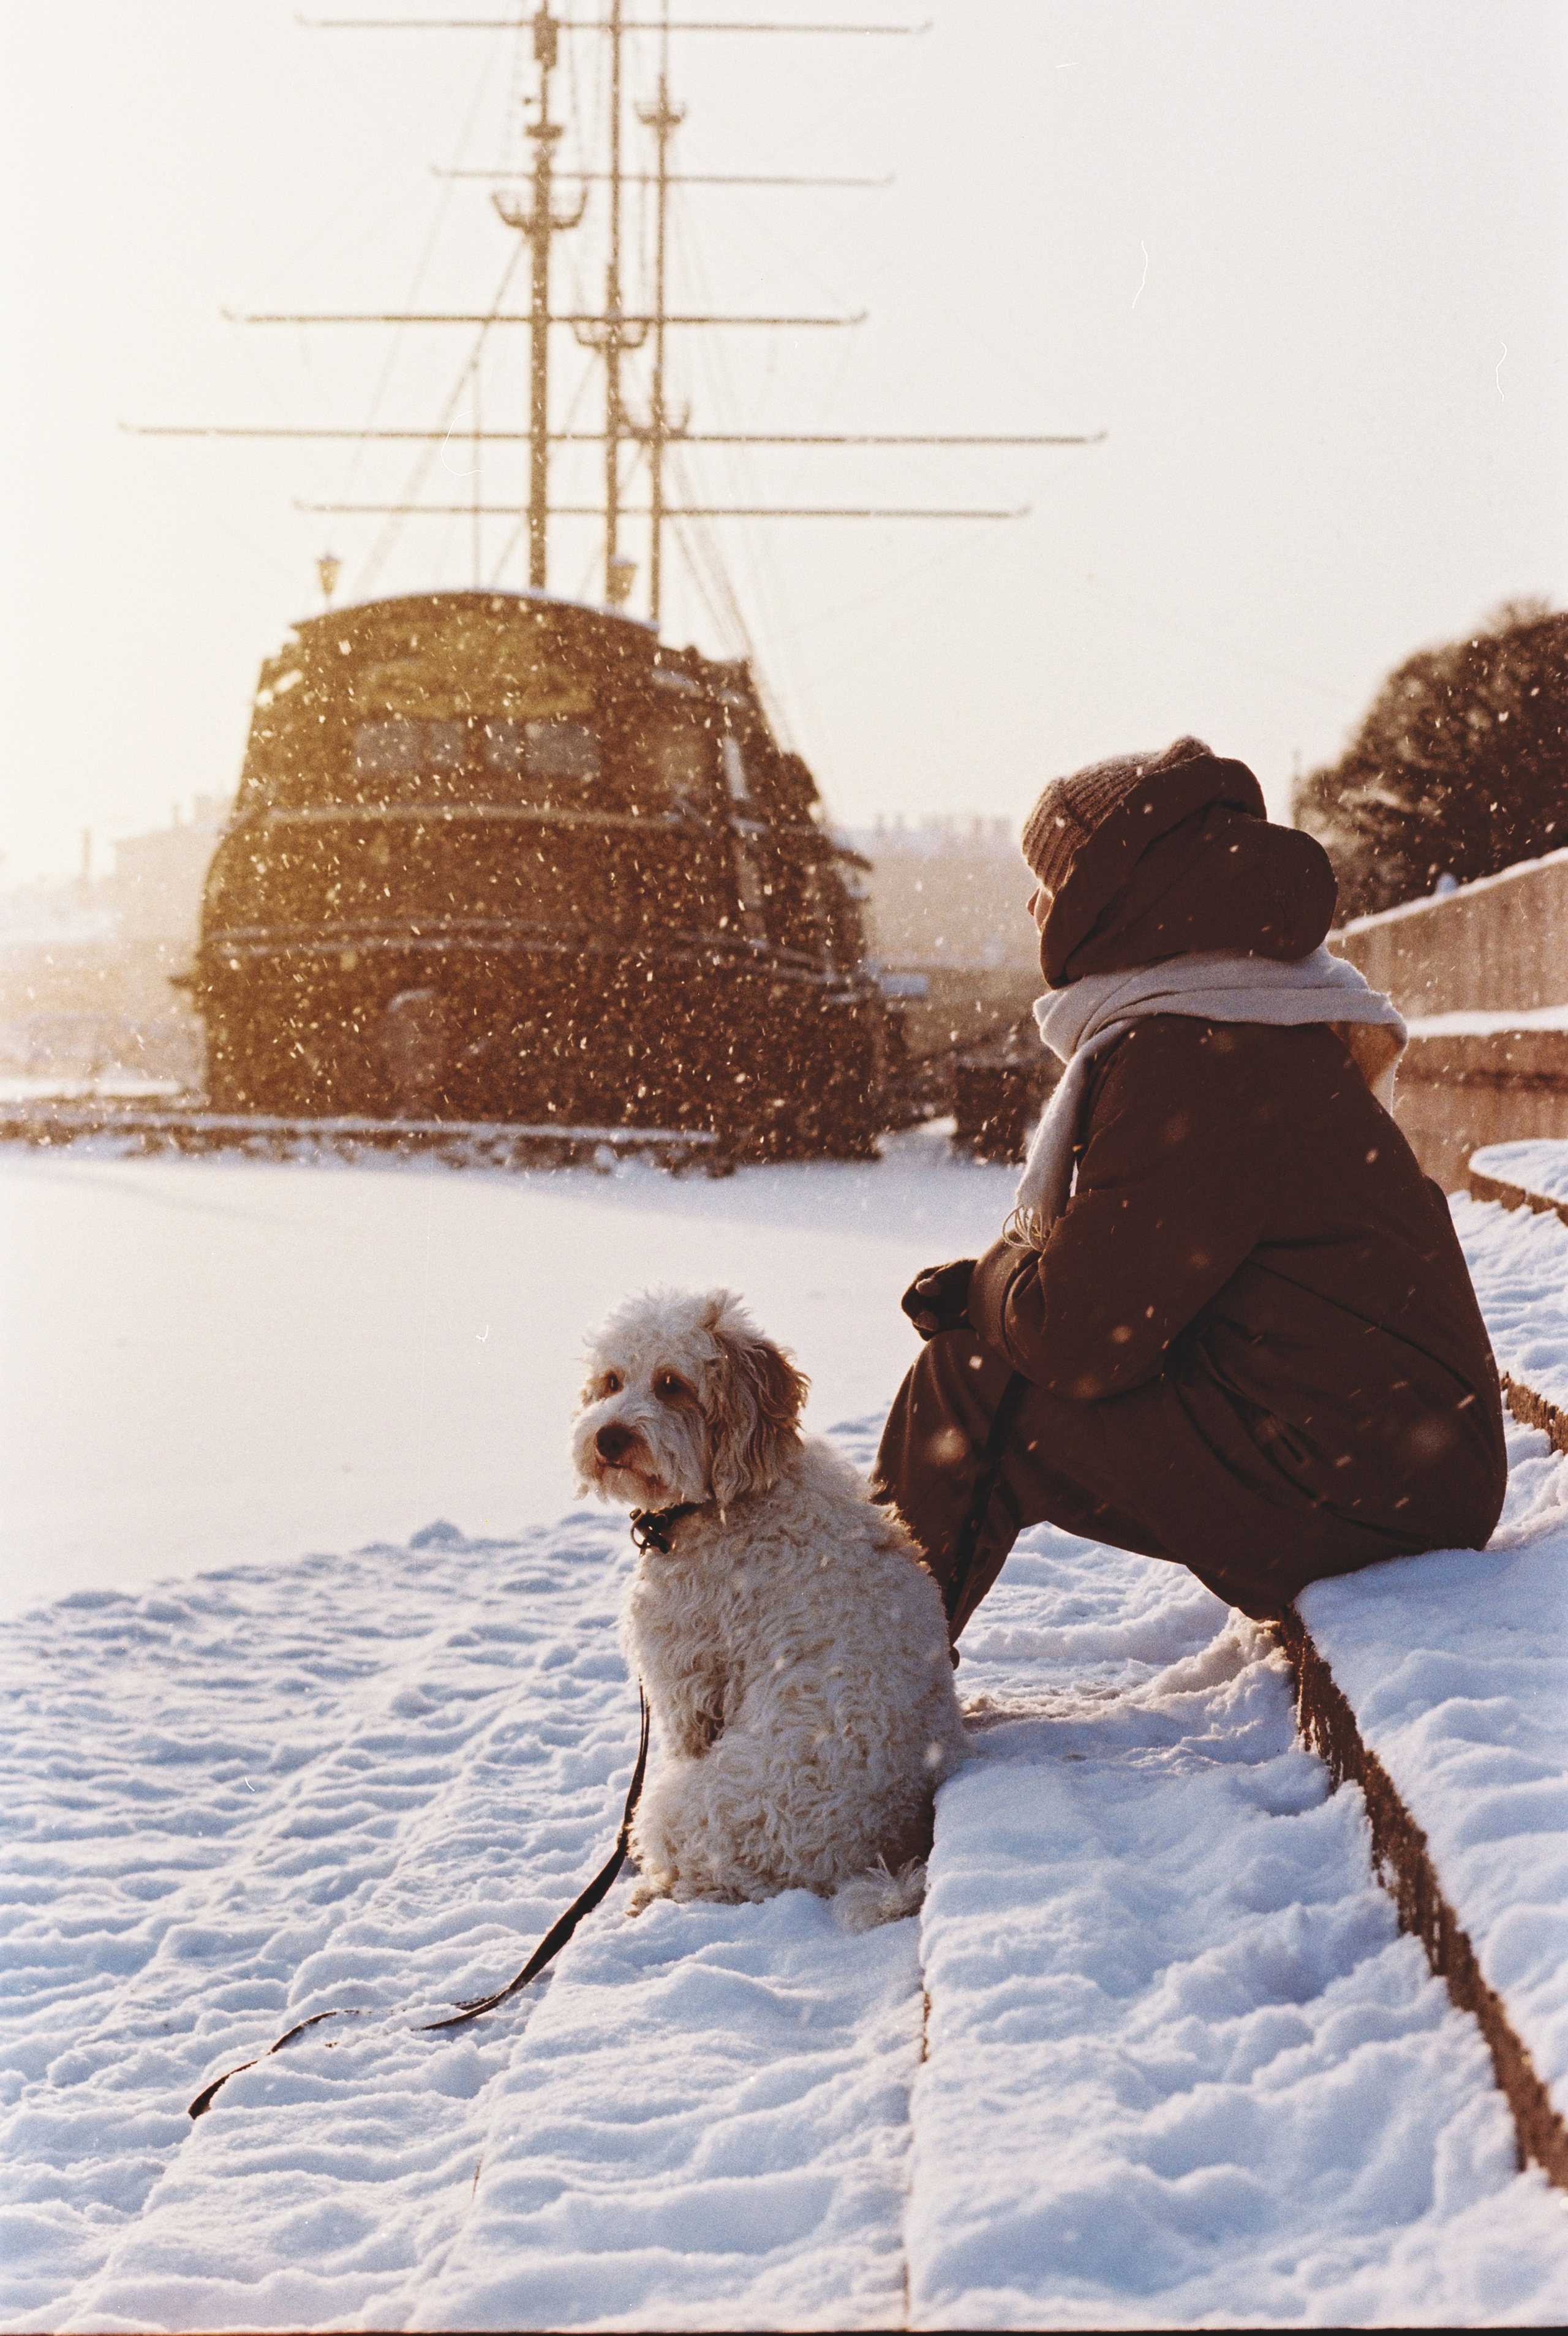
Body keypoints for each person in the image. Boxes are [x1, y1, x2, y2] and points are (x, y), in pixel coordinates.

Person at [873, 736, 1507, 1635]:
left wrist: (991, 1287)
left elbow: (1083, 1338)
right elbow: (1137, 1284)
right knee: (990, 1360)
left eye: (1049, 880)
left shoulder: (1194, 1050)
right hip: (1397, 1463)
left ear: (1106, 896)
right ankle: (848, 1675)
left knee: (970, 1385)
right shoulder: (1247, 1009)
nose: (1031, 903)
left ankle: (840, 1700)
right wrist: (999, 1281)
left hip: (1364, 1485)